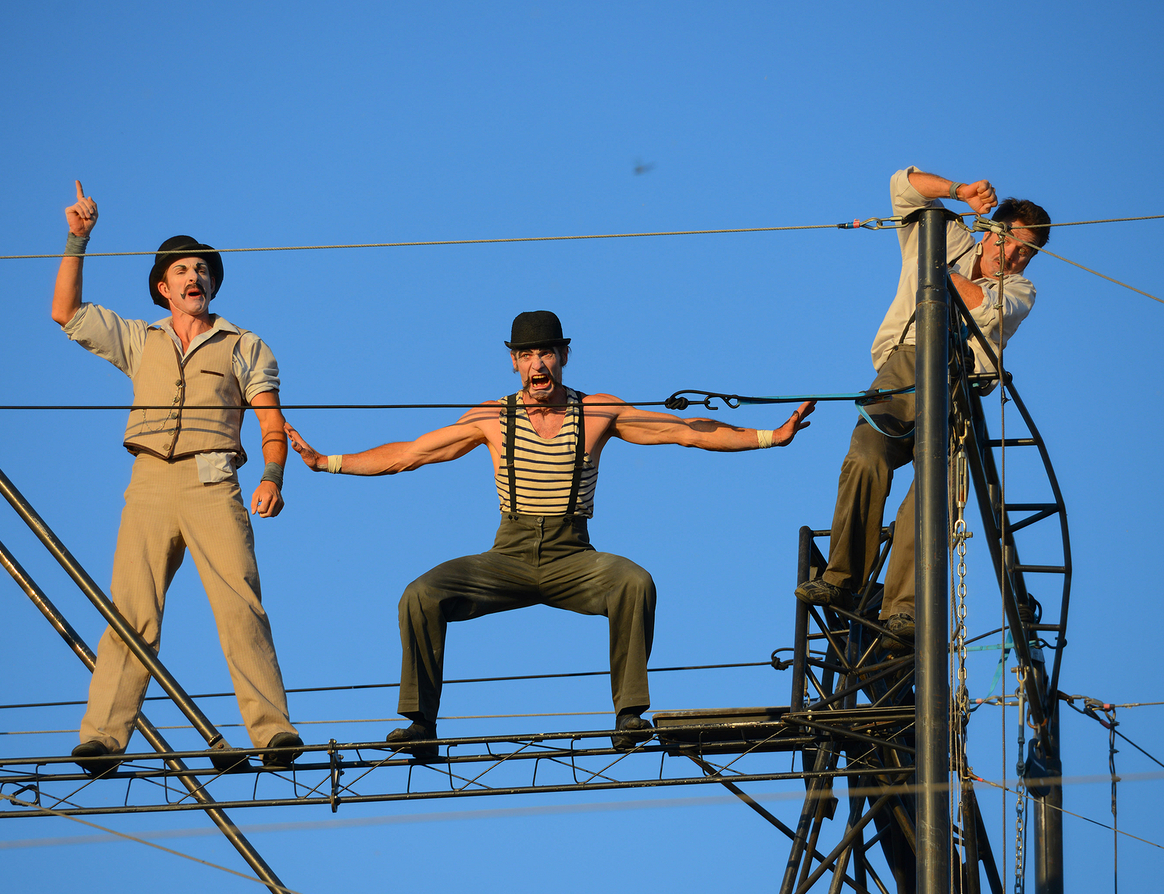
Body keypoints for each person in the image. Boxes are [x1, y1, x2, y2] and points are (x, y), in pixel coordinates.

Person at [284, 310, 815, 758]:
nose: (538, 364)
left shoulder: (597, 411)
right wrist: (329, 462)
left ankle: (629, 715)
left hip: (572, 556)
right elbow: (411, 454)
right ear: (514, 361)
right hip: (508, 555)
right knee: (422, 594)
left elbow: (685, 431)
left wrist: (770, 436)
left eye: (547, 353)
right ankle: (421, 726)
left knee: (634, 582)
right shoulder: (492, 417)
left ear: (563, 355)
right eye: (527, 355)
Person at [51, 181, 303, 775]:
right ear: (163, 288)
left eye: (202, 270)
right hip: (148, 483)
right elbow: (65, 313)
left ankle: (273, 733)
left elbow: (271, 420)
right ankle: (105, 739)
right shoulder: (141, 340)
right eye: (181, 270)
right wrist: (77, 239)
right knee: (129, 612)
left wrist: (273, 476)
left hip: (214, 482)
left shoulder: (245, 344)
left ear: (212, 284)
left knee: (241, 606)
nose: (194, 277)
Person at [795, 167, 1051, 642]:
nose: (1013, 257)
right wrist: (960, 193)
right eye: (1010, 242)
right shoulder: (945, 235)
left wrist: (938, 272)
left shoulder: (1021, 291)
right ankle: (841, 581)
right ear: (992, 229)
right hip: (904, 365)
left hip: (960, 384)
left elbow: (986, 307)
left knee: (929, 494)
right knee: (866, 457)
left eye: (1027, 253)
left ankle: (904, 607)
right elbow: (903, 186)